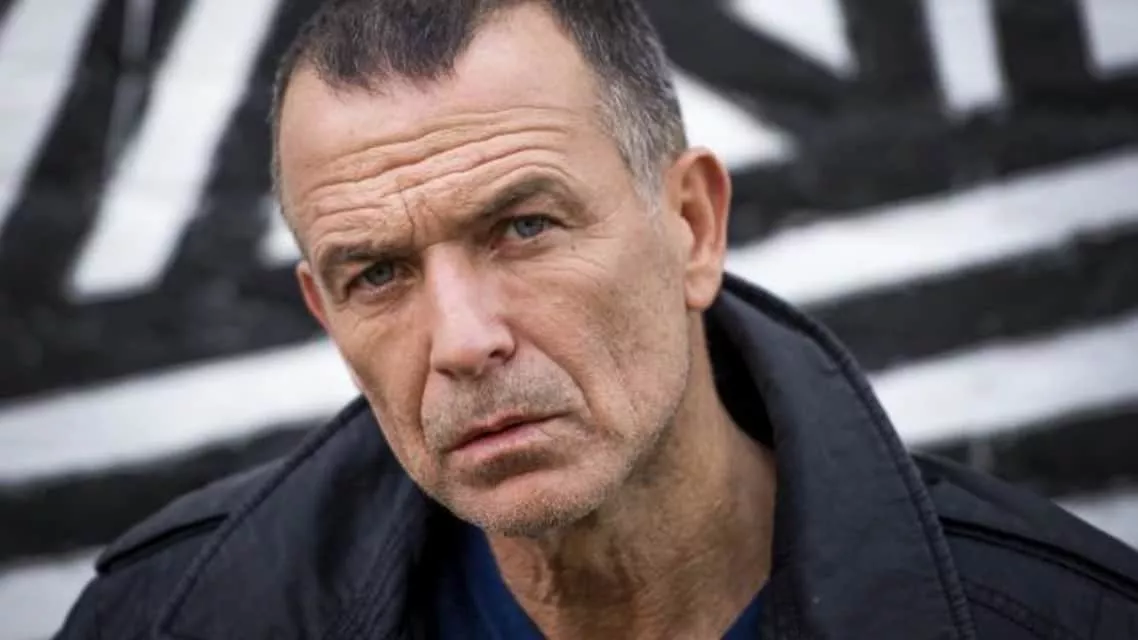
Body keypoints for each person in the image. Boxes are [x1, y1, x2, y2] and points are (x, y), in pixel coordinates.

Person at [57, 0, 1138, 638]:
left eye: (524, 227)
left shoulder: (1053, 616)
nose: (463, 340)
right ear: (325, 313)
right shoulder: (172, 617)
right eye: (377, 273)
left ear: (692, 226)